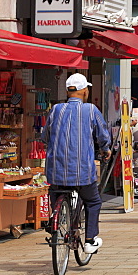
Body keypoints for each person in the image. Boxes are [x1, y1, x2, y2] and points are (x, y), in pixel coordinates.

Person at [43, 74, 112, 254]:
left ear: (68, 91)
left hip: (55, 170)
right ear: (84, 91)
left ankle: (54, 218)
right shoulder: (90, 110)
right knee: (93, 201)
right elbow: (103, 136)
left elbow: (44, 136)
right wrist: (105, 149)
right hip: (82, 172)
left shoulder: (56, 109)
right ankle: (90, 240)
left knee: (56, 191)